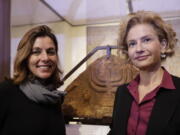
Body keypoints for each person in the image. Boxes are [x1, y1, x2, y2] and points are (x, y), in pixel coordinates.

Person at [108, 11, 180, 135]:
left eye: (146, 40)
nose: (139, 49)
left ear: (163, 45)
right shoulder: (122, 92)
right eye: (132, 43)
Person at [0, 25, 66, 135]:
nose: (45, 58)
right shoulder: (6, 92)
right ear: (25, 57)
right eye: (36, 52)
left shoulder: (53, 98)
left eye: (50, 51)